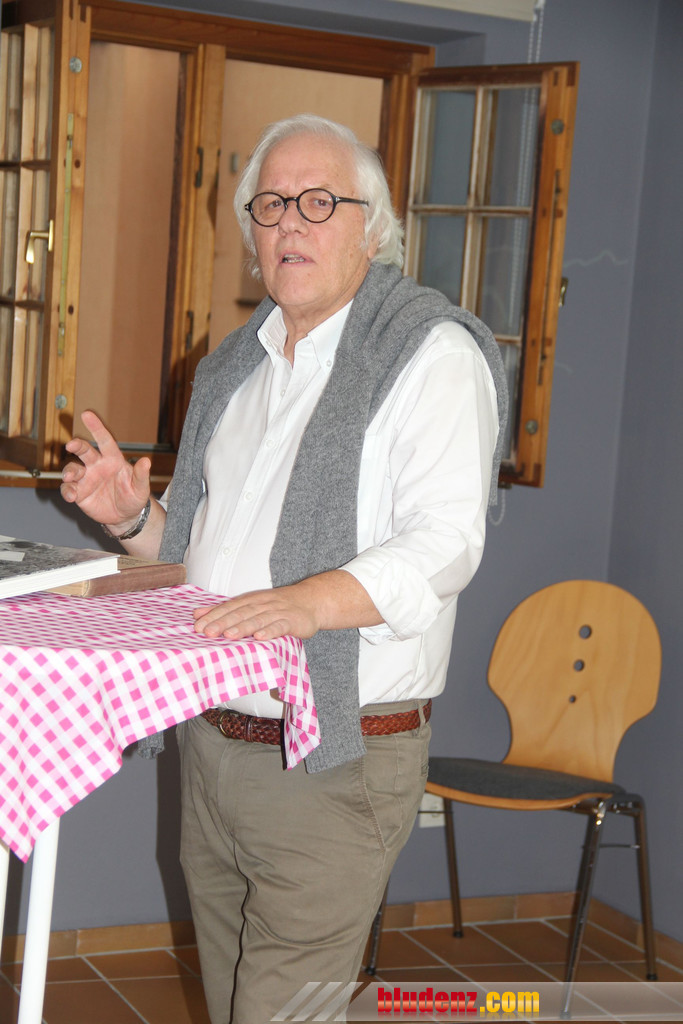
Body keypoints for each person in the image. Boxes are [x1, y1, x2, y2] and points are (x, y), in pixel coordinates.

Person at [61, 113, 507, 1024]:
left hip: (336, 755)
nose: (289, 223)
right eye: (269, 205)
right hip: (213, 745)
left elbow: (446, 542)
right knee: (235, 1001)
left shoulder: (430, 353)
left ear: (373, 229)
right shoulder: (236, 366)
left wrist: (310, 603)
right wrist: (132, 518)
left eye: (318, 202)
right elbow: (208, 559)